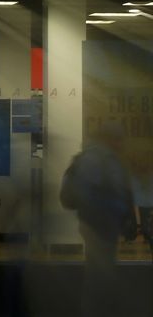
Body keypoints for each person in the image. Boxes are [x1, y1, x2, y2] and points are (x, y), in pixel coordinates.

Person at [60, 121, 134, 317]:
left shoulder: (103, 157)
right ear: (110, 139)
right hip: (97, 225)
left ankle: (98, 310)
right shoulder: (96, 158)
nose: (121, 143)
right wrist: (117, 210)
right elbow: (89, 195)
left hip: (101, 225)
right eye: (118, 139)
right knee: (99, 278)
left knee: (100, 276)